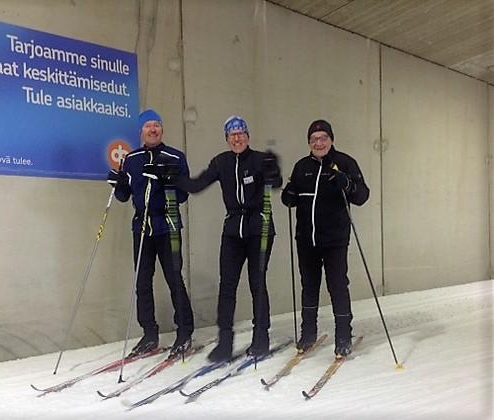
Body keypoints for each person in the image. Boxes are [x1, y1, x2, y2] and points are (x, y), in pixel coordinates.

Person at [153, 115, 282, 362]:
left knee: (257, 283)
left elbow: (276, 183)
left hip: (259, 228)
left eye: (240, 133)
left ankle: (261, 337)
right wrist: (173, 177)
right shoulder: (221, 162)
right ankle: (224, 342)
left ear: (247, 136)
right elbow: (196, 185)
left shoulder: (258, 159)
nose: (237, 138)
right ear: (227, 138)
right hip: (233, 230)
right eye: (232, 135)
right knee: (227, 286)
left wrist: (273, 170)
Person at [107, 109, 194, 357]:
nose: (153, 129)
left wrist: (166, 179)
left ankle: (185, 331)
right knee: (142, 282)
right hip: (142, 226)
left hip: (168, 225)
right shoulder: (132, 159)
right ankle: (149, 333)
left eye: (156, 125)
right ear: (141, 131)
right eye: (148, 126)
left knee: (174, 278)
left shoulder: (175, 157)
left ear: (162, 129)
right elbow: (124, 196)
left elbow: (183, 194)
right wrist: (117, 183)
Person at [281, 119, 369, 357]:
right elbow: (290, 197)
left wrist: (347, 183)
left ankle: (343, 336)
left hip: (334, 240)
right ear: (309, 142)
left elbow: (362, 195)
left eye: (323, 138)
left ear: (331, 139)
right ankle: (308, 333)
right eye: (313, 139)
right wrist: (288, 195)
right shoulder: (302, 166)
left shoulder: (345, 163)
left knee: (337, 286)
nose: (318, 143)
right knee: (309, 286)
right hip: (306, 239)